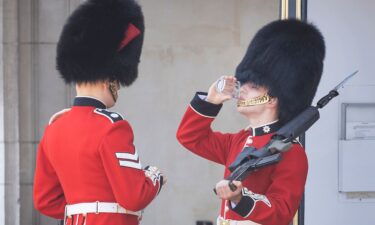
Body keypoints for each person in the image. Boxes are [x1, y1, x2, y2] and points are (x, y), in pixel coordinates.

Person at [176, 19, 325, 225]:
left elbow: (281, 212)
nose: (242, 89)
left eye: (253, 85)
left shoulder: (291, 152)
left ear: (273, 98)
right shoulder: (238, 141)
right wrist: (211, 101)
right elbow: (189, 137)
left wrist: (241, 199)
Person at [33, 0, 166, 225]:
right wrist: (155, 176)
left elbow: (44, 200)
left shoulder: (54, 128)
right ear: (109, 79)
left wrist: (83, 209)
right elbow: (134, 197)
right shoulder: (112, 126)